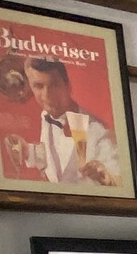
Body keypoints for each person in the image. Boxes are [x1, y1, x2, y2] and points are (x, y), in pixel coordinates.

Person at [26, 57, 121, 187]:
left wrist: (107, 178)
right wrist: (27, 151)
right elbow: (53, 162)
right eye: (38, 86)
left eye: (54, 85)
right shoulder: (45, 116)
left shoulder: (98, 130)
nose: (46, 94)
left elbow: (119, 182)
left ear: (68, 86)